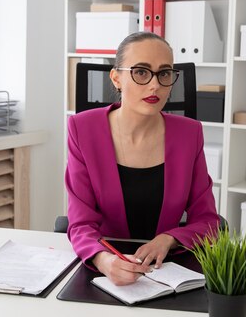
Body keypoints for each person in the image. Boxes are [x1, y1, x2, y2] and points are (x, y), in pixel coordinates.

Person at [65, 31, 219, 286]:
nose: (155, 85)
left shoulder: (189, 134)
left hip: (165, 271)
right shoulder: (82, 129)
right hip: (104, 269)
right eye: (141, 72)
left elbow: (208, 221)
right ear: (116, 78)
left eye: (165, 73)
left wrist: (169, 239)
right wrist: (105, 261)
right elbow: (81, 224)